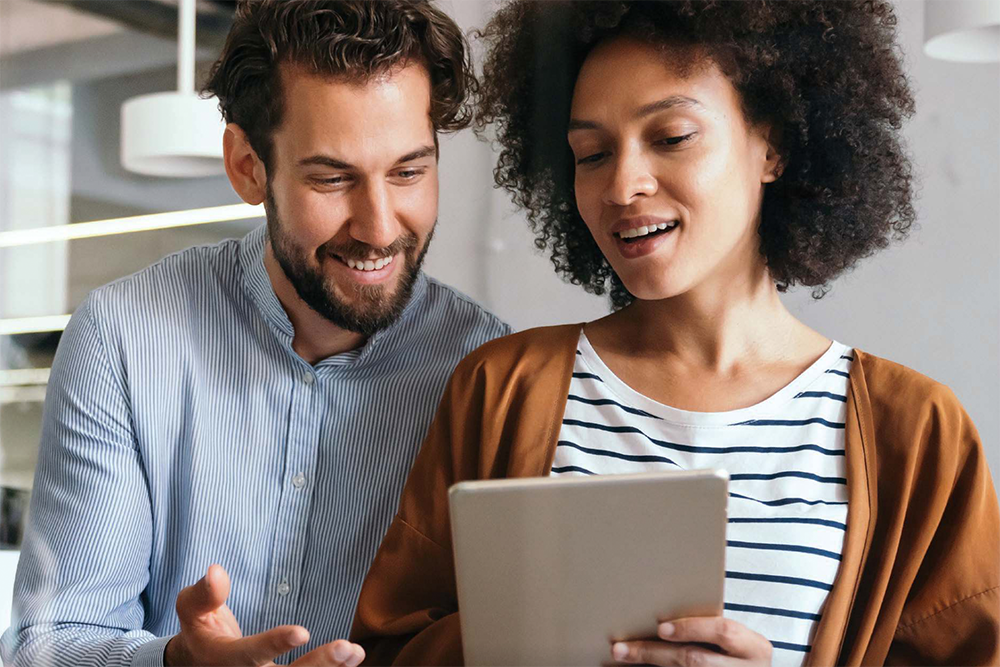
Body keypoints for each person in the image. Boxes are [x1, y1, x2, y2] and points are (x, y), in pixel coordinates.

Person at [350, 0, 1000, 665]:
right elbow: (388, 646)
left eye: (671, 137)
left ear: (770, 145)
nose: (623, 185)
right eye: (593, 153)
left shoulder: (919, 432)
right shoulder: (502, 387)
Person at [0, 1, 511, 665]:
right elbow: (47, 644)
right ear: (248, 166)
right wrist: (179, 659)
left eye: (409, 171)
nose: (381, 225)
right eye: (332, 177)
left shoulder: (487, 368)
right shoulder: (122, 338)